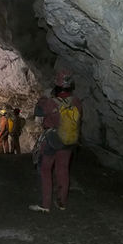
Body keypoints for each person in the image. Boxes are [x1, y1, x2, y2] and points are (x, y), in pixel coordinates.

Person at [29, 70, 82, 212]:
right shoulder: (76, 101)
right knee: (63, 169)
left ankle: (45, 205)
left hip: (52, 139)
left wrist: (44, 97)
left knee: (45, 169)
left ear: (57, 86)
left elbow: (38, 111)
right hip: (69, 139)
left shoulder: (51, 102)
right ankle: (62, 203)